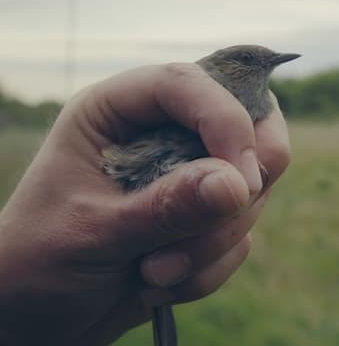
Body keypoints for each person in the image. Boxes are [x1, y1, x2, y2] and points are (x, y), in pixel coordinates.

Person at [0, 62, 290, 346]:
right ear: (225, 65)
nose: (264, 64)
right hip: (141, 175)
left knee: (167, 273)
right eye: (248, 59)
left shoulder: (254, 106)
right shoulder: (199, 92)